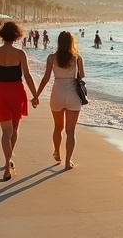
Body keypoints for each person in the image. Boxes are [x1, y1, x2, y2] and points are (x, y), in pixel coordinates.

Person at [0, 22, 38, 181]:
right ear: (17, 35)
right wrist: (35, 95)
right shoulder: (20, 54)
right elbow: (27, 76)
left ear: (2, 34)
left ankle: (7, 165)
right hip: (17, 92)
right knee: (15, 129)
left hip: (1, 92)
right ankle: (8, 162)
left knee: (6, 132)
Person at [34, 31, 86, 171]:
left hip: (57, 93)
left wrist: (36, 95)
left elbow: (46, 78)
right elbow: (82, 75)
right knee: (70, 131)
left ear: (59, 42)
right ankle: (68, 162)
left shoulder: (52, 58)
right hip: (73, 95)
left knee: (58, 127)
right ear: (71, 42)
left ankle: (57, 152)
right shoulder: (77, 57)